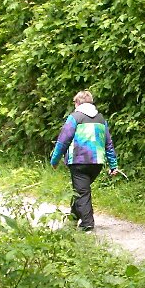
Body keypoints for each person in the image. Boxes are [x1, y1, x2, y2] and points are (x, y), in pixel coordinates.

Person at [49, 90, 120, 232]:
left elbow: (63, 141)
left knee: (82, 192)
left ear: (77, 103)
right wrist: (113, 165)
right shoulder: (101, 119)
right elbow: (108, 144)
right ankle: (72, 221)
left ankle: (87, 224)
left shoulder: (74, 117)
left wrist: (54, 160)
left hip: (78, 161)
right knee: (80, 190)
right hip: (97, 163)